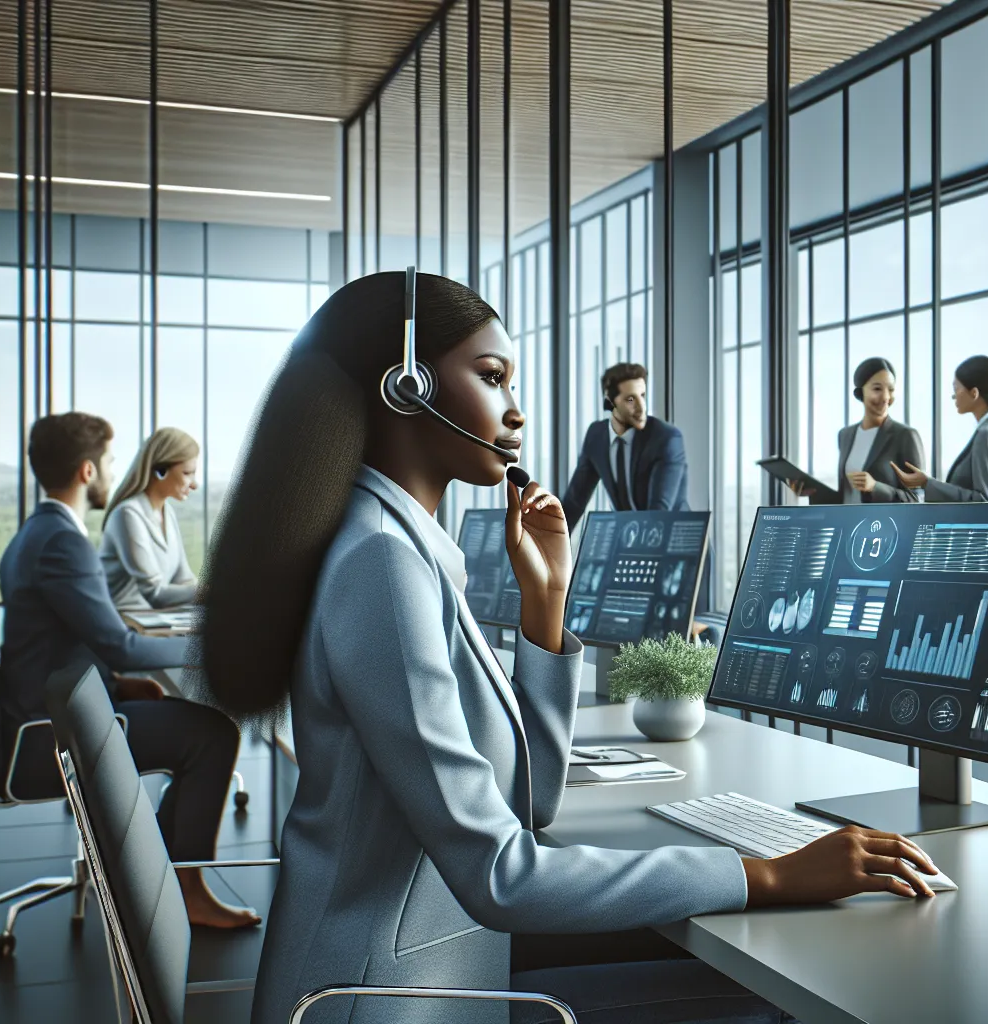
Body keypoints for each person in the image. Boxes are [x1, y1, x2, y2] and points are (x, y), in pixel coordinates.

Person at [200, 273, 938, 1024]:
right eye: (491, 379)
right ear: (406, 387)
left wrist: (545, 602)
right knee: (771, 1001)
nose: (516, 413)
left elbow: (528, 803)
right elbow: (500, 873)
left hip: (434, 961)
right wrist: (769, 876)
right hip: (389, 998)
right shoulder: (381, 565)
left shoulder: (398, 548)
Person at [0, 412, 258, 929]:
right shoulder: (62, 542)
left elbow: (60, 641)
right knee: (212, 735)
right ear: (88, 472)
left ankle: (155, 874)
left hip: (51, 709)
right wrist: (213, 647)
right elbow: (117, 645)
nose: (115, 472)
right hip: (57, 733)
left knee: (193, 722)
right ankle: (184, 890)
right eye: (111, 462)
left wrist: (118, 683)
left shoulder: (37, 531)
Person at [787, 356, 924, 505]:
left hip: (883, 526)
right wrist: (812, 492)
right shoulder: (845, 435)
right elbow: (846, 496)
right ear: (860, 392)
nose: (886, 397)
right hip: (849, 525)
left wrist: (875, 487)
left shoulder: (905, 436)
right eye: (877, 389)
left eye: (891, 389)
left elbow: (918, 498)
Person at [561, 361, 689, 518]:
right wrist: (545, 541)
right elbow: (574, 502)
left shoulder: (665, 438)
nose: (642, 407)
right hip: (633, 536)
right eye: (630, 399)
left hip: (674, 538)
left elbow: (658, 513)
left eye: (642, 396)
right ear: (610, 402)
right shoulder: (596, 436)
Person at [99, 426, 202, 610]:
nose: (194, 484)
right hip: (127, 623)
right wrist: (214, 592)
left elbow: (183, 579)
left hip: (154, 621)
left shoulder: (167, 513)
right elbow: (155, 594)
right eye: (187, 473)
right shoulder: (128, 514)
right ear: (160, 470)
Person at [893, 354, 988, 503]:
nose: (953, 396)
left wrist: (926, 483)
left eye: (956, 388)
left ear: (974, 393)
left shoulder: (987, 434)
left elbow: (985, 501)